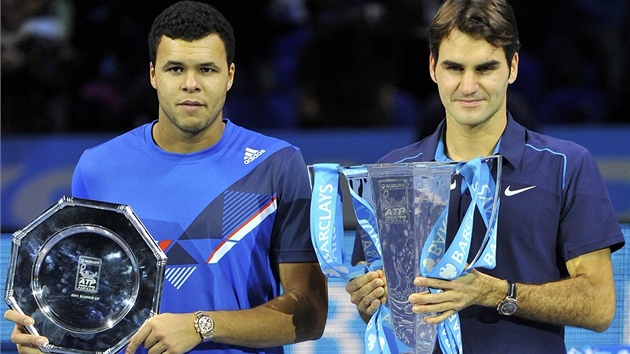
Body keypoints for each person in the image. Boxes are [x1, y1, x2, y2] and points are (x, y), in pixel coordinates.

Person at [4, 1, 328, 354]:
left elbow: (310, 313)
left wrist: (200, 326)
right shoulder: (96, 168)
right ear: (153, 74)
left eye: (207, 69)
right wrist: (50, 340)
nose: (191, 84)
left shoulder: (278, 164)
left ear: (230, 75)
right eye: (175, 69)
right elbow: (89, 308)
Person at [345, 0, 625, 352]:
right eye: (454, 68)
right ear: (433, 68)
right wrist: (368, 297)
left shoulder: (566, 165)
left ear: (513, 67)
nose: (468, 86)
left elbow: (599, 306)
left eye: (485, 68)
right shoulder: (392, 172)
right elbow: (381, 303)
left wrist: (498, 293)